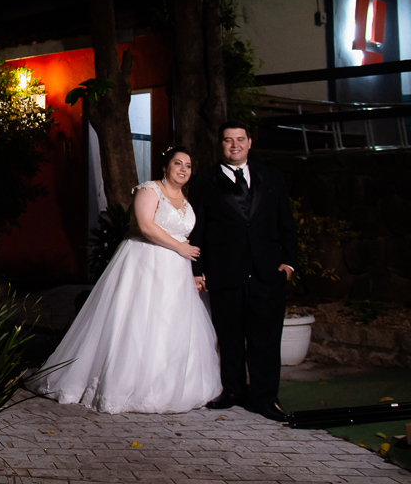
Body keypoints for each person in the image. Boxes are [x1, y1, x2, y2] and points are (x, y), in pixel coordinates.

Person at [27, 147, 221, 413]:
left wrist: (190, 271)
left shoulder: (186, 201)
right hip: (145, 264)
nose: (183, 169)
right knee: (138, 321)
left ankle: (166, 386)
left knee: (168, 324)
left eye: (188, 165)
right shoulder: (149, 190)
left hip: (175, 271)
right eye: (178, 163)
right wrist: (179, 248)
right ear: (165, 167)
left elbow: (184, 239)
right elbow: (146, 226)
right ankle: (124, 384)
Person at [189, 120, 297, 422]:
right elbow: (196, 229)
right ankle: (233, 390)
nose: (234, 145)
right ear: (220, 144)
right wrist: (197, 269)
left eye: (240, 139)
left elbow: (285, 221)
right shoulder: (203, 182)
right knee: (230, 336)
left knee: (266, 339)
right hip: (225, 272)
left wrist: (288, 264)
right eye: (228, 140)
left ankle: (265, 398)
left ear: (250, 142)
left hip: (267, 273)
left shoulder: (271, 176)